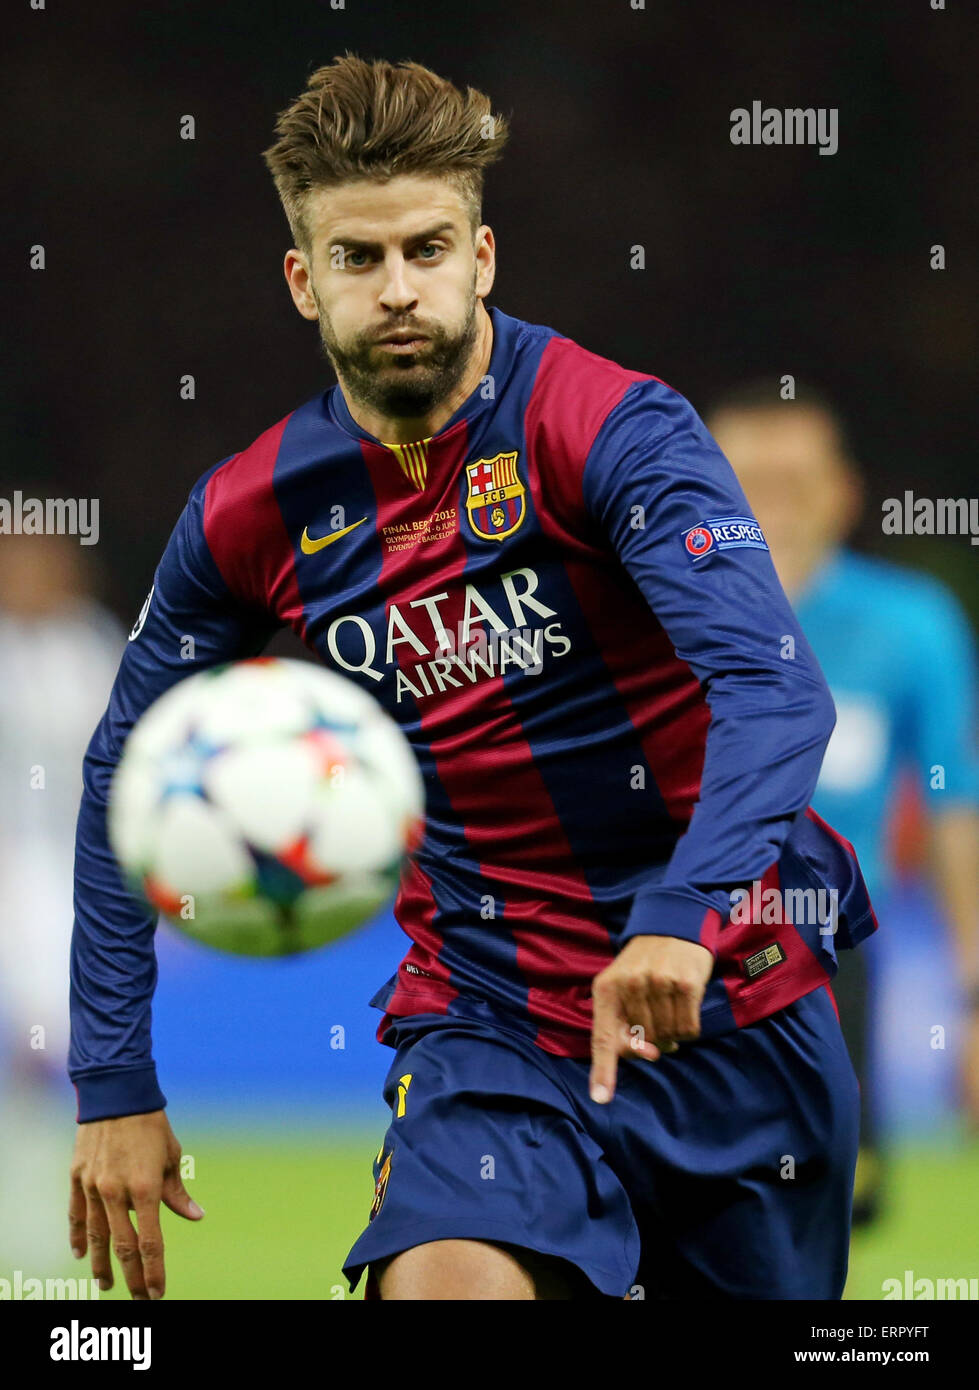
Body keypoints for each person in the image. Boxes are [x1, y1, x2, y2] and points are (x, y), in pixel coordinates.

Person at [68, 55, 877, 1302]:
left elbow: (775, 690)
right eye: (358, 257)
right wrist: (115, 1081)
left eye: (427, 248)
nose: (399, 288)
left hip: (736, 1003)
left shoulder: (611, 428)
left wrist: (682, 912)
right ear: (304, 281)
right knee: (448, 1281)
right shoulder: (247, 512)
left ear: (481, 257)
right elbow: (123, 761)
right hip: (491, 1023)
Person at [707, 382, 979, 1223]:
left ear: (844, 494)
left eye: (791, 486)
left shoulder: (910, 624)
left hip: (824, 971)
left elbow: (953, 805)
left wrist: (973, 999)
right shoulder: (645, 615)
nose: (769, 510)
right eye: (744, 487)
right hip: (665, 949)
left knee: (816, 1217)